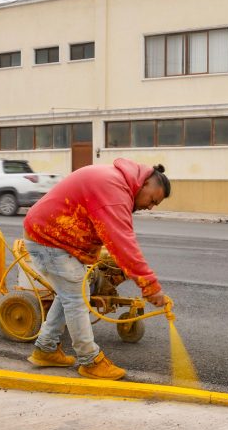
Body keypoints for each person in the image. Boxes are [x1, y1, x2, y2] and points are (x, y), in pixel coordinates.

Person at [23, 158, 171, 380]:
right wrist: (150, 287)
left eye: (154, 205)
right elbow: (122, 243)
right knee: (75, 298)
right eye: (152, 200)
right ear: (146, 183)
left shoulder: (117, 183)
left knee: (71, 295)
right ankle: (90, 361)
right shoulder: (114, 189)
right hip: (48, 239)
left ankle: (46, 349)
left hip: (53, 237)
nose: (149, 207)